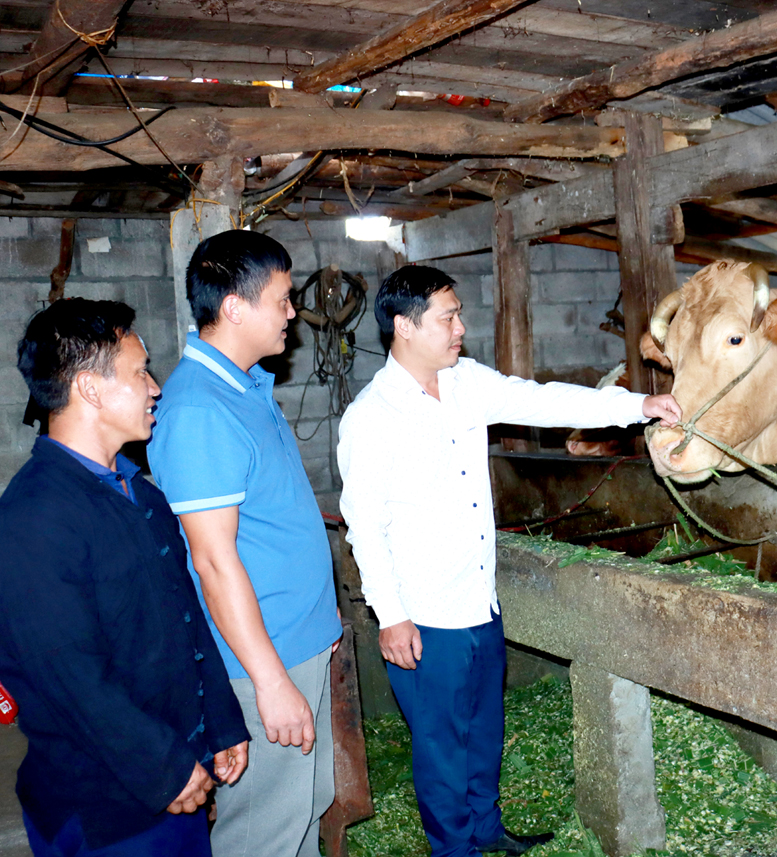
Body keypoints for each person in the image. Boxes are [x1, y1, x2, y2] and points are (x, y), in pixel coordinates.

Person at [337, 265, 681, 857]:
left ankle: (486, 830)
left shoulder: (466, 381)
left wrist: (638, 404)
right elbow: (365, 527)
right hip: (424, 616)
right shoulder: (372, 416)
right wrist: (390, 616)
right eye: (447, 317)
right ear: (404, 326)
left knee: (484, 732)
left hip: (478, 600)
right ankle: (455, 849)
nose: (460, 329)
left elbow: (542, 401)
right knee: (441, 746)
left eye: (458, 315)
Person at [0, 299, 250, 857]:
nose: (156, 387)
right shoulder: (31, 519)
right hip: (106, 805)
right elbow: (69, 679)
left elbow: (187, 622)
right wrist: (166, 770)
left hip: (178, 770)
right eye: (140, 372)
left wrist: (221, 724)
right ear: (89, 389)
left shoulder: (140, 492)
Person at [146, 231, 342, 857]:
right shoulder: (199, 408)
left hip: (298, 640)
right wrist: (269, 680)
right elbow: (211, 558)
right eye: (283, 300)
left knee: (303, 808)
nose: (294, 313)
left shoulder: (246, 384)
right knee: (262, 832)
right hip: (267, 657)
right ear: (234, 308)